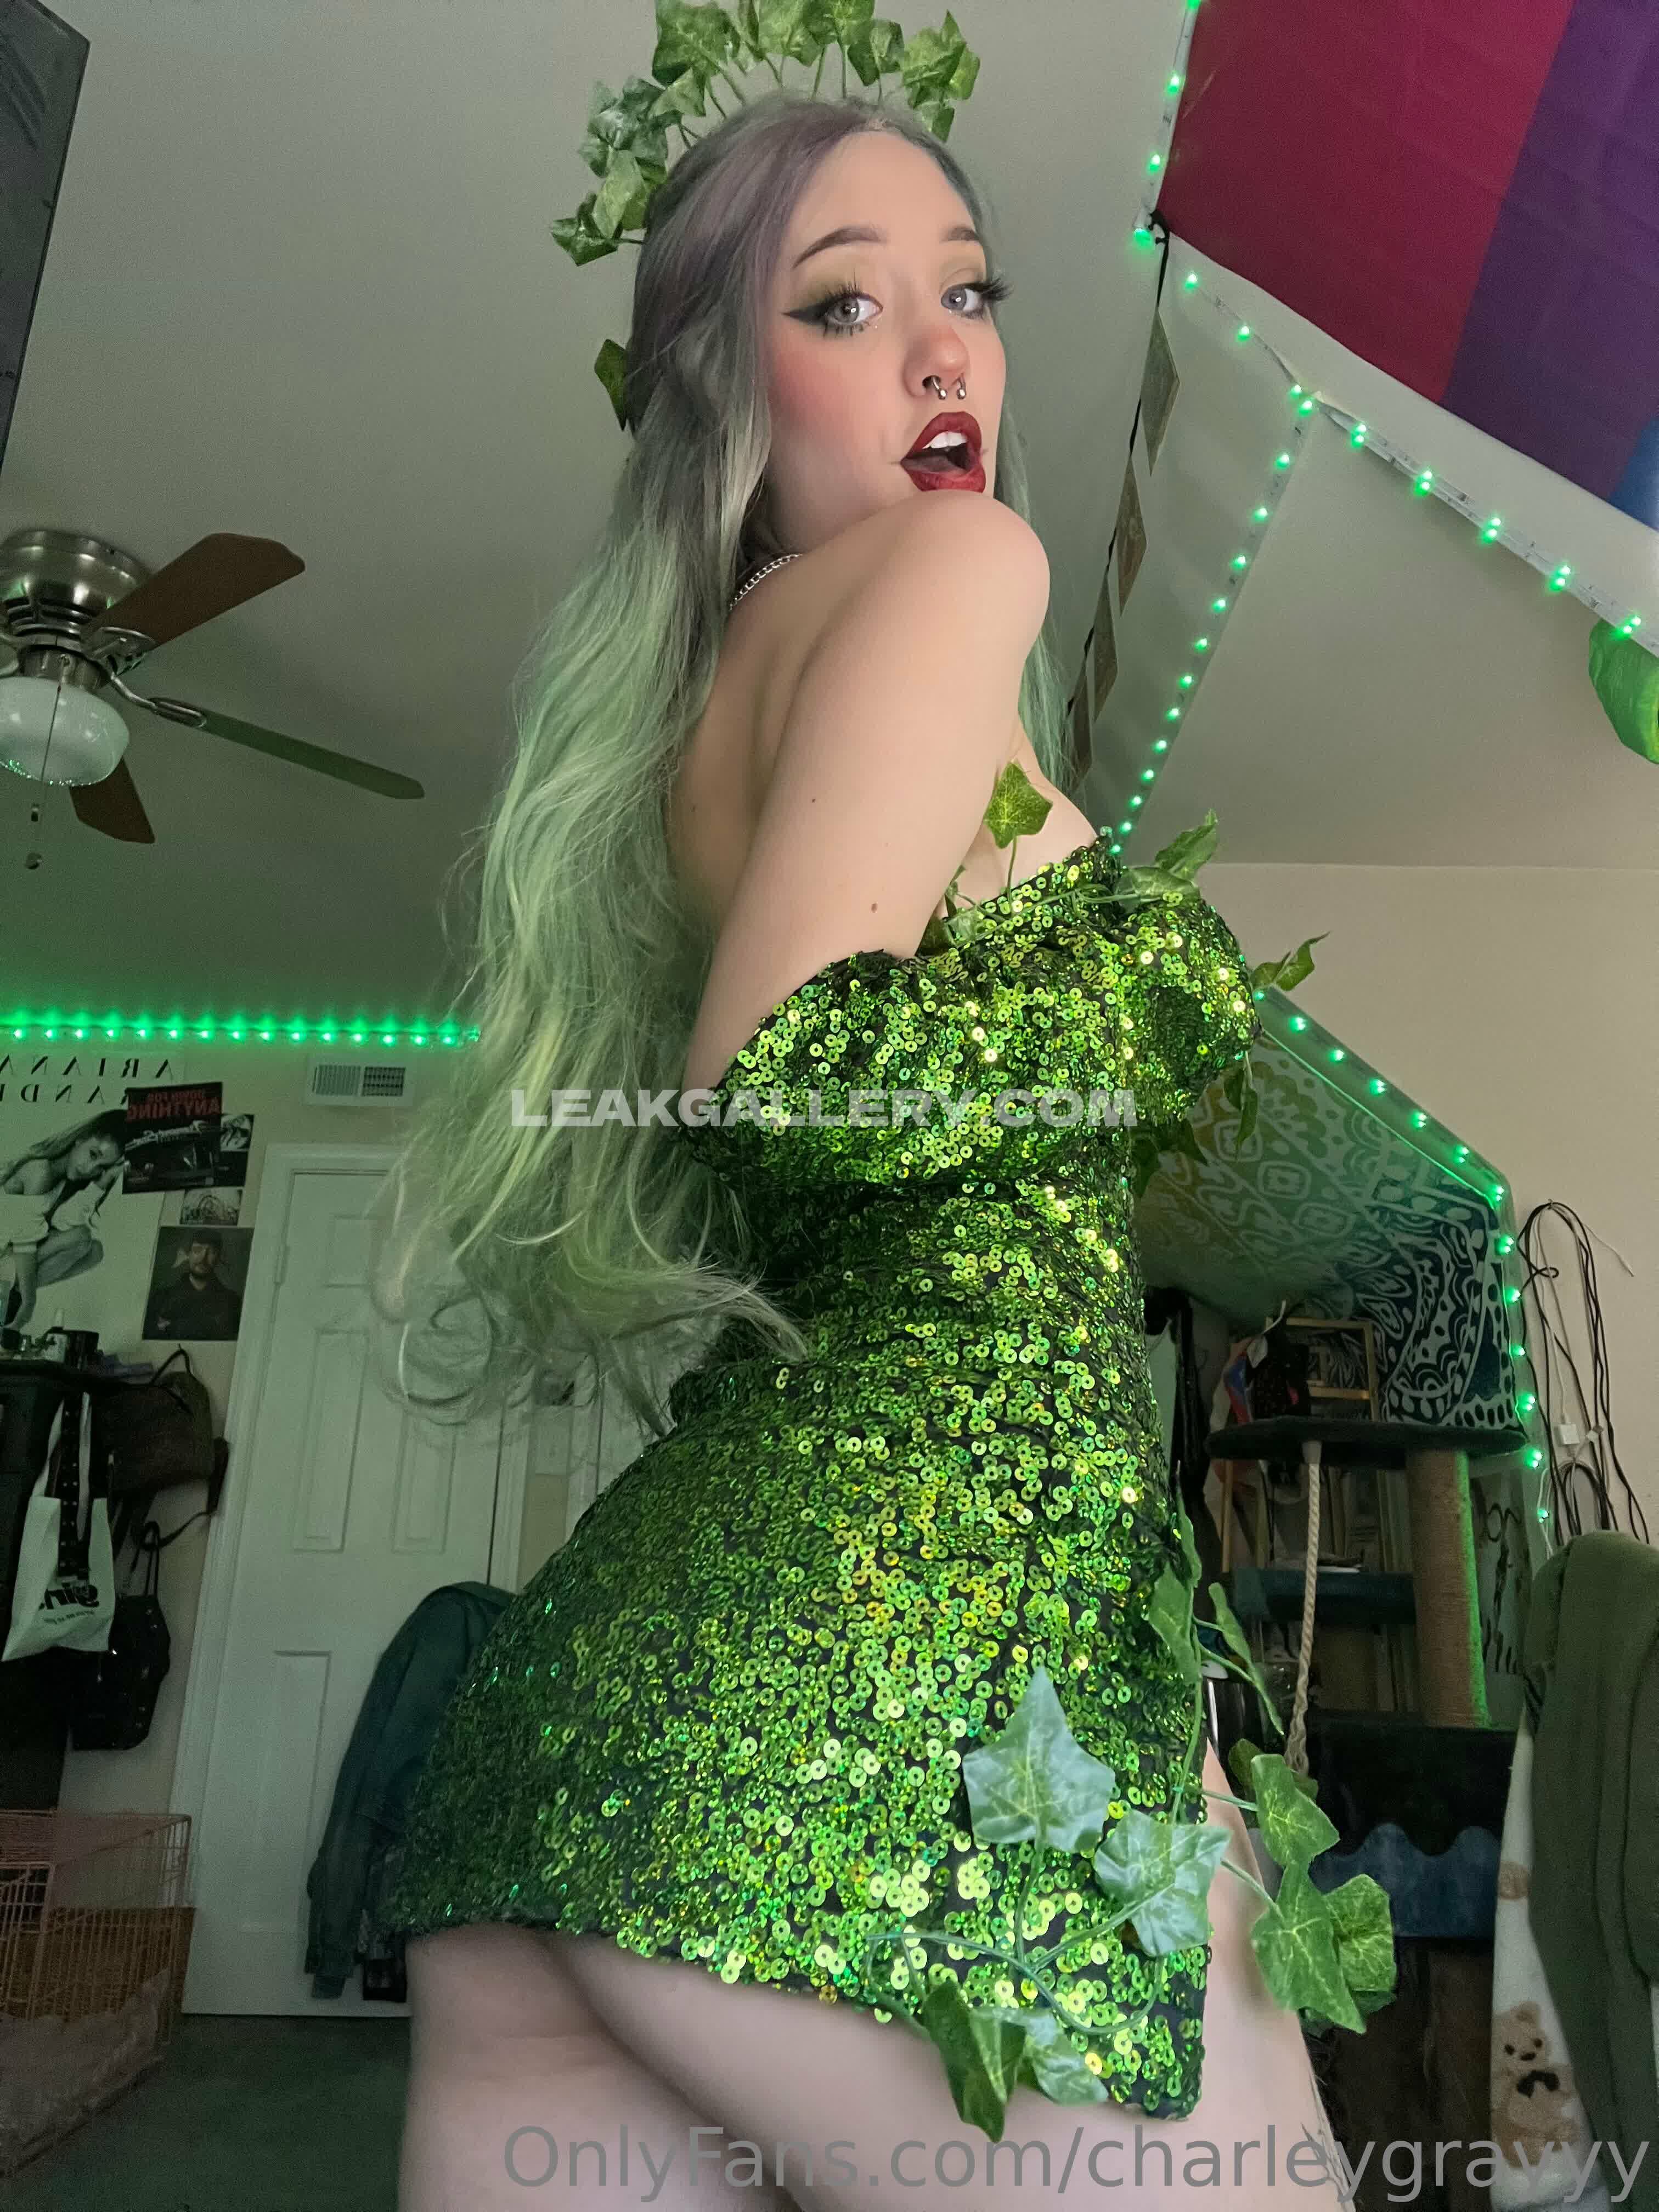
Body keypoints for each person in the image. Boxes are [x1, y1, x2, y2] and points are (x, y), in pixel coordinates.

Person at [380, 85, 1350, 2212]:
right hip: (892, 1712)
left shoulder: (713, 714)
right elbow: (794, 1072)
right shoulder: (953, 564)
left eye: (969, 295)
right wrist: (1151, 997)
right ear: (727, 393)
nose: (941, 353)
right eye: (842, 303)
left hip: (612, 1720)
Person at [0, 1109, 126, 1330]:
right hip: (9, 1257)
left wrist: (102, 1183)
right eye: (93, 1155)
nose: (90, 1169)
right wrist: (28, 1307)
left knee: (94, 1251)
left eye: (101, 1168)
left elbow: (63, 1223)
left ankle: (13, 1295)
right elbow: (25, 1245)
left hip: (10, 1264)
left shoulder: (61, 1180)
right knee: (81, 1237)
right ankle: (16, 1300)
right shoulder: (40, 1171)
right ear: (81, 1139)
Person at [146, 1229, 241, 1339]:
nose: (203, 1259)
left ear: (219, 1258)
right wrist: (212, 1325)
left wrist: (172, 1326)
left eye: (211, 1252)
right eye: (197, 1250)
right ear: (188, 1254)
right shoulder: (161, 1298)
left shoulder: (232, 1301)